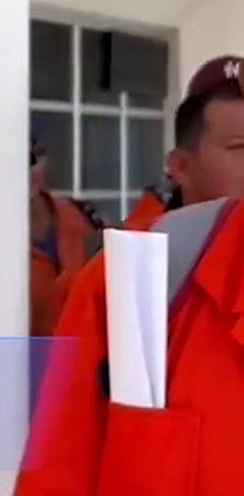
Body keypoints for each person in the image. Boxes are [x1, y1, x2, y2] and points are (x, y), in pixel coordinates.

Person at [15, 54, 244, 494]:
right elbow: (59, 472)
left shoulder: (79, 218)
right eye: (240, 148)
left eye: (33, 156)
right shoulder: (135, 274)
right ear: (179, 166)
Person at [28, 136, 107, 337]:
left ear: (43, 161)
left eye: (29, 161)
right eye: (7, 163)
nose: (21, 172)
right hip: (25, 366)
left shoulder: (85, 216)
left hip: (89, 361)